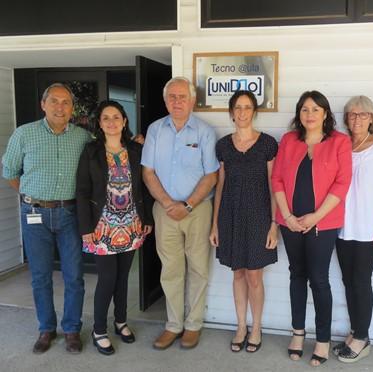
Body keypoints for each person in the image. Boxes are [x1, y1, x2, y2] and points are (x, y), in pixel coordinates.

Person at [2, 83, 91, 354]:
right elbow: (10, 172)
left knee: (74, 275)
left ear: (72, 108)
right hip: (34, 214)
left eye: (65, 102)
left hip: (69, 213)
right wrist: (32, 197)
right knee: (40, 275)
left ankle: (72, 328)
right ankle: (46, 328)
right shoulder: (24, 134)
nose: (60, 107)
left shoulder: (83, 138)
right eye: (54, 101)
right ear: (43, 105)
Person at [272, 91, 352, 366]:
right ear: (299, 114)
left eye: (316, 109)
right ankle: (297, 333)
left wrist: (315, 217)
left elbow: (342, 183)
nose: (309, 114)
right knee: (297, 275)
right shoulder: (289, 140)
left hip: (323, 223)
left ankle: (322, 339)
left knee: (318, 279)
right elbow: (278, 179)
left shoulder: (340, 142)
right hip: (290, 221)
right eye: (304, 109)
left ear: (326, 114)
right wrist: (288, 216)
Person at [142, 76, 219, 350]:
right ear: (165, 101)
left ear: (192, 101)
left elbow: (211, 175)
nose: (177, 101)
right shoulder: (154, 130)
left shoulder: (205, 132)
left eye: (182, 97)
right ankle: (173, 325)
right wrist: (166, 203)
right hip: (164, 211)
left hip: (197, 210)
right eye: (172, 97)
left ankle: (193, 325)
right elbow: (148, 172)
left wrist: (186, 205)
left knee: (198, 268)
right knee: (171, 269)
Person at [76, 100, 153, 355]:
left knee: (123, 278)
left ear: (124, 121)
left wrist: (147, 219)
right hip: (102, 228)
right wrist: (86, 227)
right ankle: (99, 329)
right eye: (106, 118)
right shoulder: (91, 151)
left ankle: (121, 321)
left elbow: (143, 187)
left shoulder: (135, 150)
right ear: (100, 123)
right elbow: (83, 190)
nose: (111, 122)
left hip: (131, 224)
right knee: (107, 279)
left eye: (116, 117)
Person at [209, 90, 278, 353]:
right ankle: (240, 326)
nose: (242, 112)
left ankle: (257, 327)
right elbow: (221, 185)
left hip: (260, 218)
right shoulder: (224, 145)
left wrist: (274, 224)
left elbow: (274, 186)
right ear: (231, 112)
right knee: (237, 272)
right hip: (231, 217)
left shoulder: (268, 144)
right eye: (237, 108)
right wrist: (215, 224)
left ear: (254, 112)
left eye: (247, 107)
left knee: (254, 276)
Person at [332, 96, 373, 363]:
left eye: (362, 114)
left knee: (361, 281)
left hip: (369, 229)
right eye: (351, 114)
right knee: (348, 281)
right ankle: (355, 331)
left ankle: (362, 338)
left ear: (372, 118)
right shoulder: (340, 146)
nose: (356, 119)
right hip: (342, 227)